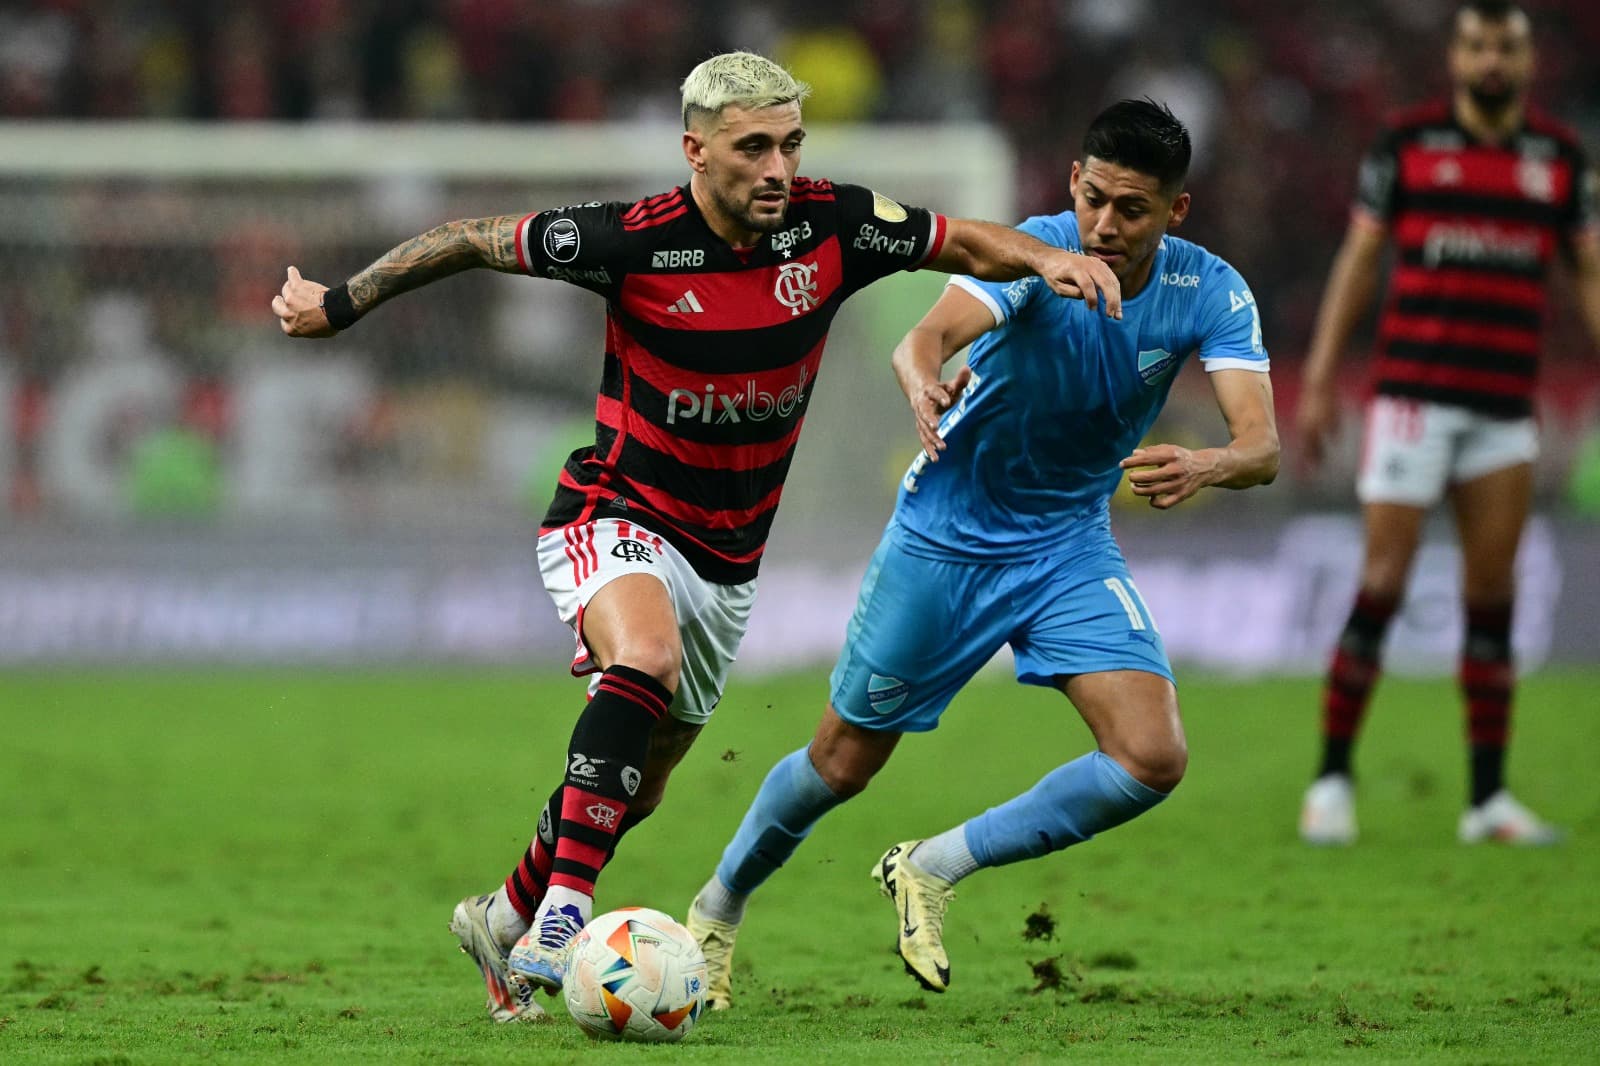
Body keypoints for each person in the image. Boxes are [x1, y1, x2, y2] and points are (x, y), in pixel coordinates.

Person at [272, 51, 1122, 1024]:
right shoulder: (629, 239)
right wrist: (338, 304)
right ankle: (565, 911)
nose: (778, 167)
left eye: (790, 144)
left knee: (634, 788)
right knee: (645, 656)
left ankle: (501, 916)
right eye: (753, 147)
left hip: (728, 563)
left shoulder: (832, 226)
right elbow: (468, 238)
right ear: (696, 151)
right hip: (614, 511)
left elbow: (961, 241)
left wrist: (1047, 259)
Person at [683, 99, 1279, 1006]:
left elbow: (1262, 447)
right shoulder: (1035, 253)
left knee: (1151, 757)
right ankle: (718, 909)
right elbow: (923, 340)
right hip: (946, 538)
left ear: (1176, 210)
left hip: (1069, 544)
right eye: (1094, 198)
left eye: (1133, 209)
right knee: (841, 764)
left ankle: (931, 865)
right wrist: (922, 381)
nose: (1105, 225)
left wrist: (1208, 463)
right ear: (1073, 183)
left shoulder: (1211, 289)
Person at [1296, 0, 1600, 847]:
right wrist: (1320, 377)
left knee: (1493, 598)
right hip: (1412, 398)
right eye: (1476, 46)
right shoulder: (1407, 143)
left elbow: (1589, 272)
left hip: (1503, 405)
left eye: (1505, 46)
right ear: (1456, 57)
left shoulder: (1560, 158)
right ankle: (1330, 781)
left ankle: (1487, 801)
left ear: (1527, 60)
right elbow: (1359, 258)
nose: (1491, 60)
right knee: (1383, 584)